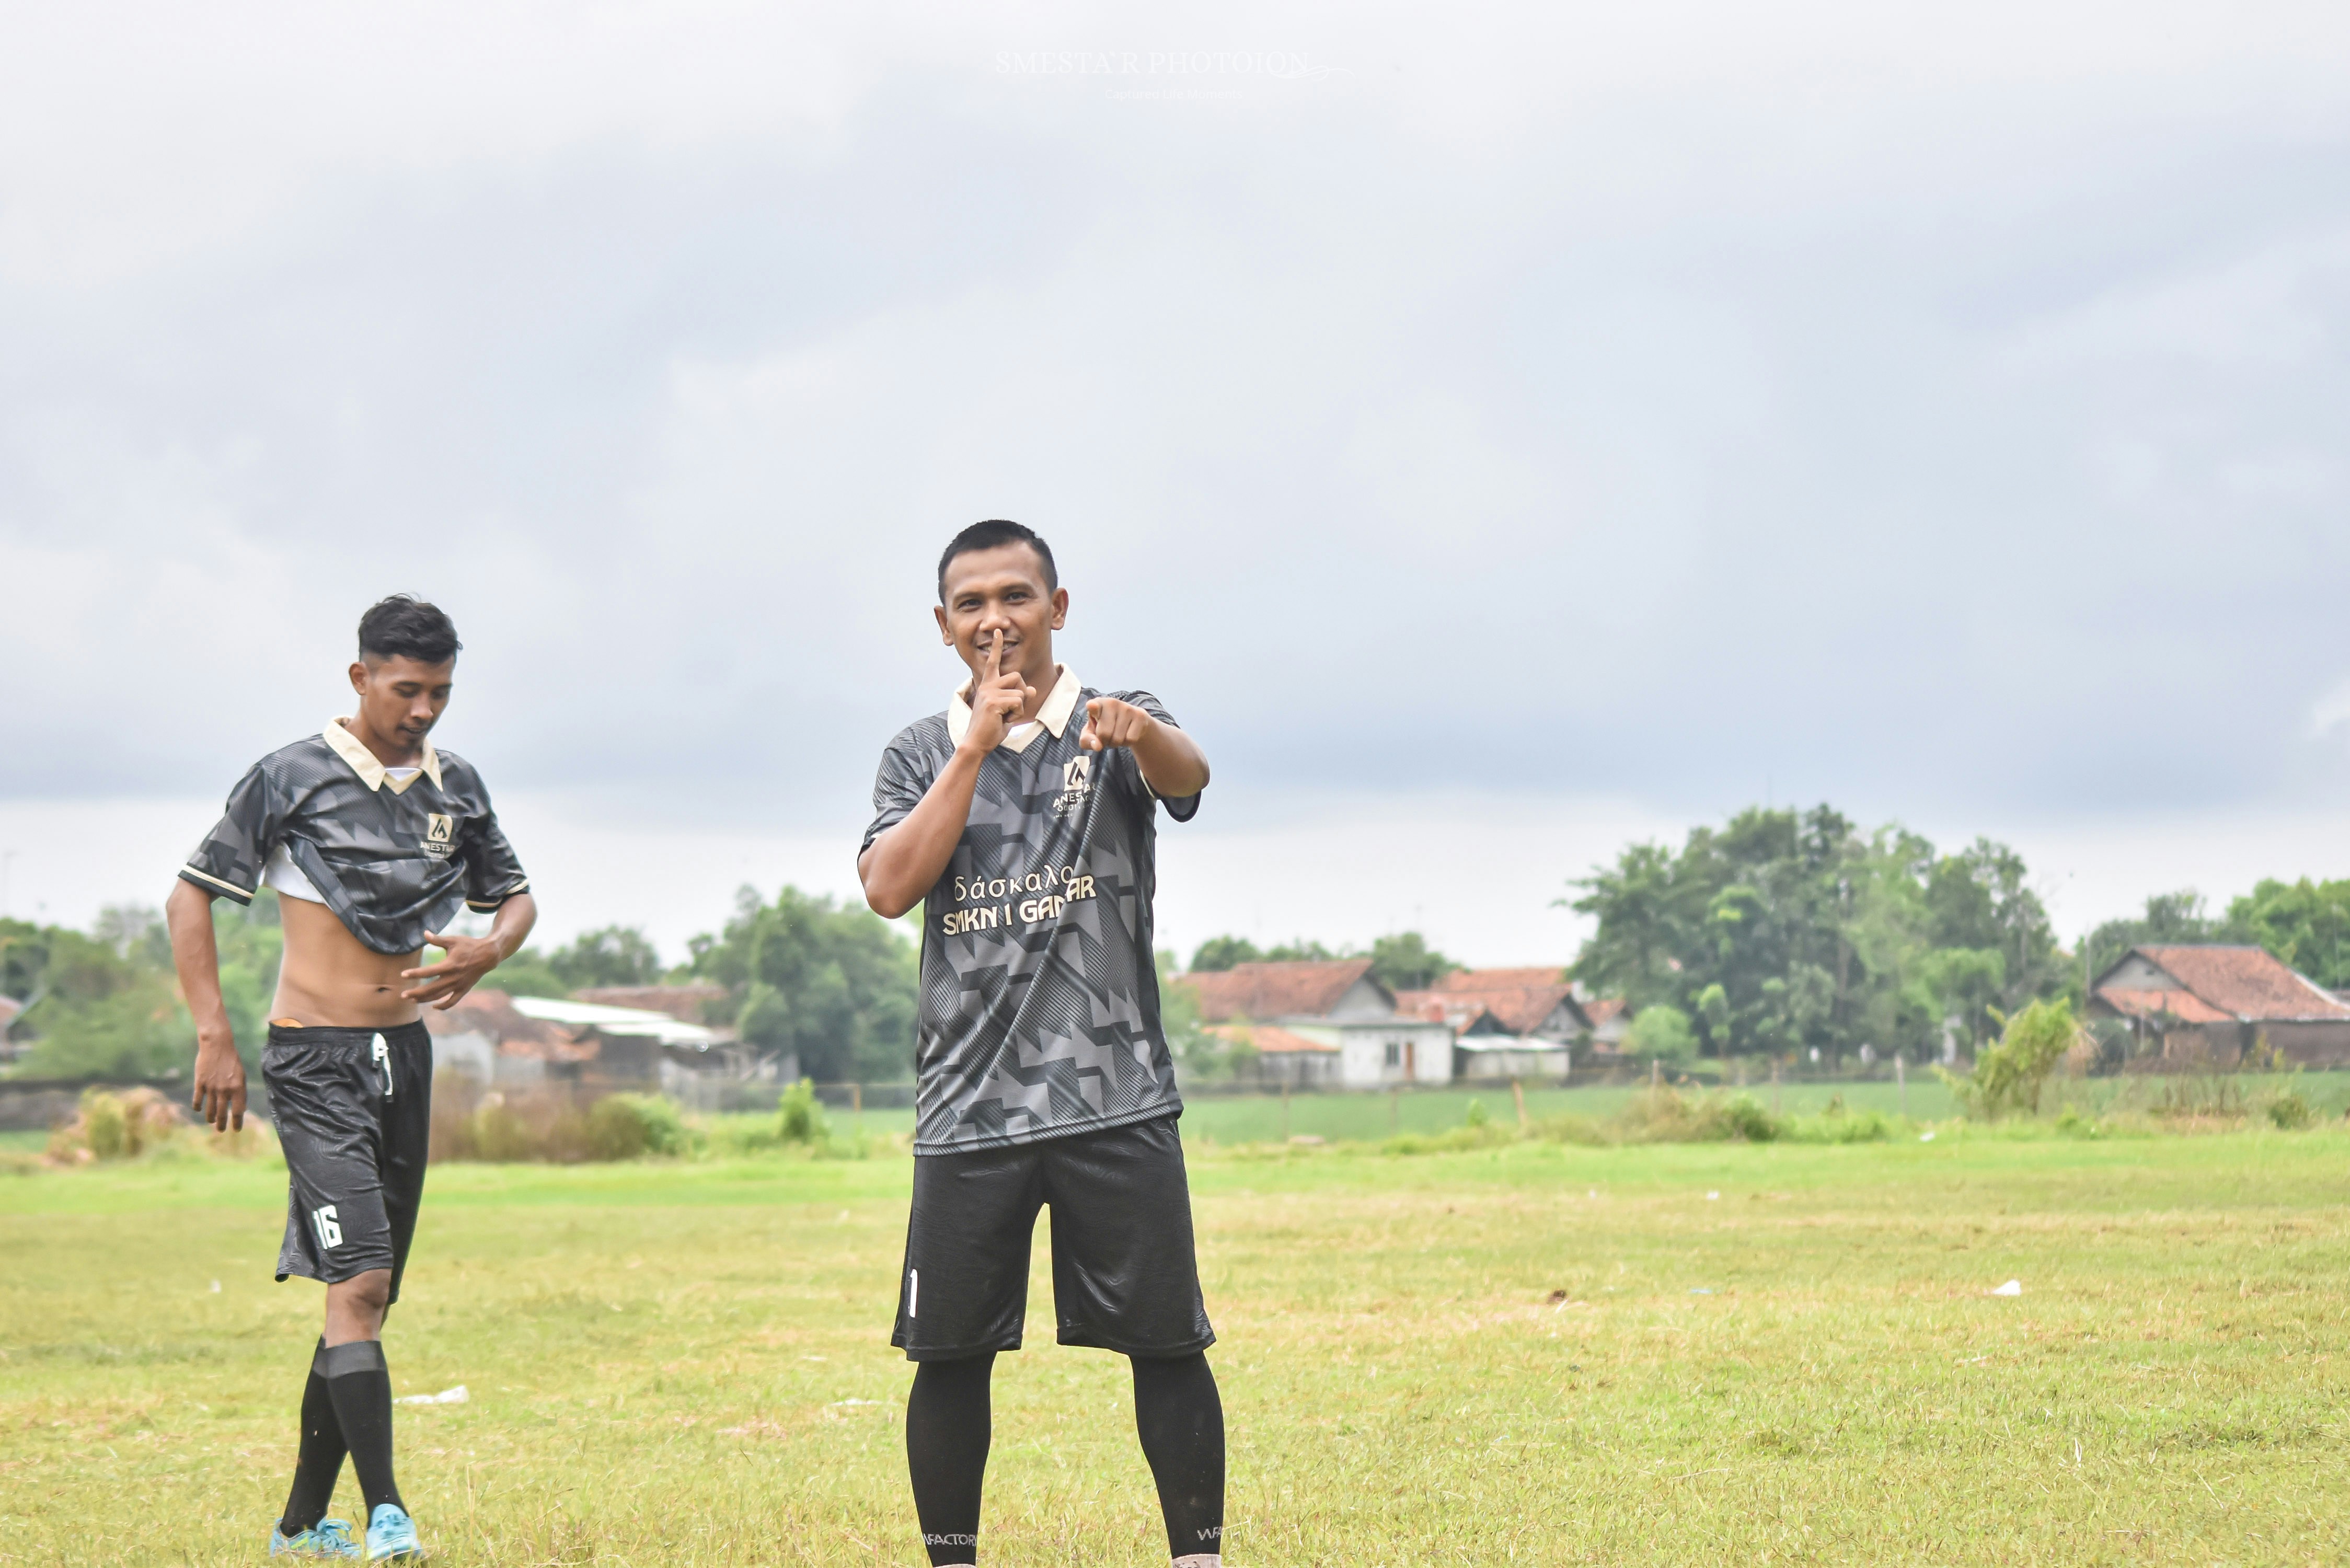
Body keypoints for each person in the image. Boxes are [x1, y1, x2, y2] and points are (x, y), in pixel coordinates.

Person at [858, 520, 1225, 1568]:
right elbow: (888, 888)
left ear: (1057, 608)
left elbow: (1189, 771)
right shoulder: (920, 752)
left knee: (1167, 1346)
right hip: (969, 1110)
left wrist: (1140, 736)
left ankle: (1196, 1556)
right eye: (971, 604)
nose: (995, 622)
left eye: (1016, 598)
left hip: (1118, 1101)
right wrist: (975, 744)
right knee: (949, 1356)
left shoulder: (1119, 720)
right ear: (943, 626)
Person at [165, 595, 537, 1561]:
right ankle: (387, 1516)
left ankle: (298, 1529)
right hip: (315, 1059)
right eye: (407, 689)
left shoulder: (457, 788)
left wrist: (486, 954)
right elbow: (190, 897)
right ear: (360, 677)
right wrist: (214, 1035)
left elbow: (518, 899)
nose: (423, 711)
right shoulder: (291, 776)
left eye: (441, 693)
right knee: (361, 1280)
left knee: (358, 1298)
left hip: (405, 1057)